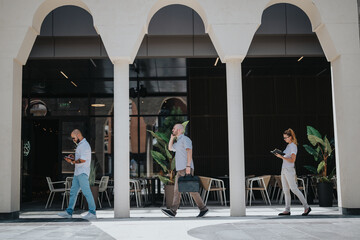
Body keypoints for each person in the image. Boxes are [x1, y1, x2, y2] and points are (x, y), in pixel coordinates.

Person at [161, 123, 209, 218]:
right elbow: (170, 148)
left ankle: (203, 208)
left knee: (191, 189)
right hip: (180, 169)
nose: (172, 130)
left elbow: (189, 151)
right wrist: (171, 138)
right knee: (177, 190)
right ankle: (173, 211)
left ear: (179, 130)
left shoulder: (185, 139)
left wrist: (188, 166)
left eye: (174, 129)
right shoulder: (178, 141)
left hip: (185, 168)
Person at [58, 129, 97, 220]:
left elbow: (83, 160)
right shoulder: (80, 145)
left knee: (87, 192)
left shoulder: (85, 145)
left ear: (78, 135)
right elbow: (80, 158)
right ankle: (69, 212)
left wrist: (72, 161)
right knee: (73, 192)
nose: (73, 140)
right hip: (77, 173)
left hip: (82, 173)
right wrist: (73, 157)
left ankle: (92, 212)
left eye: (73, 138)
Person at [275, 128, 311, 216]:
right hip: (284, 169)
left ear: (290, 137)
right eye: (284, 138)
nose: (284, 139)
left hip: (289, 170)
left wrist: (281, 157)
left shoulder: (293, 146)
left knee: (294, 189)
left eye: (286, 137)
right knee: (286, 190)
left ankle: (306, 207)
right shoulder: (288, 146)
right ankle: (287, 209)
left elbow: (292, 160)